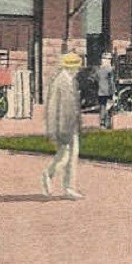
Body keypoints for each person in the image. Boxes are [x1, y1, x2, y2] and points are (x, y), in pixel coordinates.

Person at [41, 52, 84, 199]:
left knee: (72, 156)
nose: (78, 70)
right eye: (77, 66)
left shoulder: (70, 80)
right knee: (64, 156)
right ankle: (49, 173)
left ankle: (69, 188)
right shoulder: (61, 81)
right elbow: (53, 108)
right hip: (63, 126)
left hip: (71, 125)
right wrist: (52, 130)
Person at [96, 52, 116, 129]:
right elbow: (111, 82)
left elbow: (97, 80)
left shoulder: (99, 69)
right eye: (109, 59)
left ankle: (102, 123)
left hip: (100, 91)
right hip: (108, 91)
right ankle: (108, 124)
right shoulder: (110, 69)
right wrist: (114, 92)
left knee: (102, 107)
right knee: (109, 107)